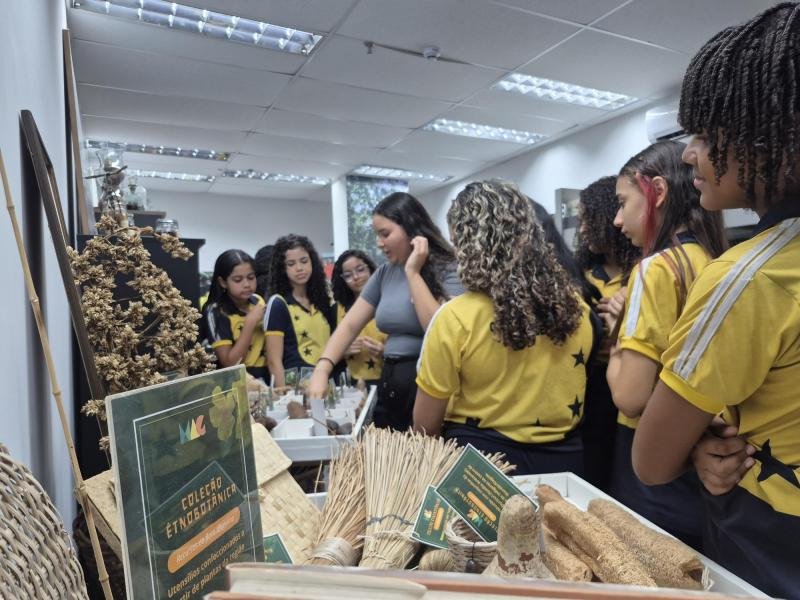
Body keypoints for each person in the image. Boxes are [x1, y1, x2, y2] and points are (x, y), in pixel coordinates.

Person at [632, 5, 800, 597]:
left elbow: (651, 460)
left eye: (705, 135)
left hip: (772, 539)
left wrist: (700, 444)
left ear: (774, 137)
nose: (689, 154)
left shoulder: (748, 277)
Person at [413, 180, 597, 475]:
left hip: (482, 469)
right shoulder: (577, 310)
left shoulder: (455, 318)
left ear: (469, 246)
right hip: (564, 466)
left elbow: (425, 425)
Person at [606, 140, 727, 549]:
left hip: (651, 455)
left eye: (623, 202)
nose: (618, 220)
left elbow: (630, 396)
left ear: (657, 191)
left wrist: (617, 341)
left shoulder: (655, 268)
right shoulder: (714, 261)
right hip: (703, 448)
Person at [307, 192, 463, 430]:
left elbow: (438, 330)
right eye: (377, 235)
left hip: (430, 389)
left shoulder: (449, 269)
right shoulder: (384, 273)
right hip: (390, 384)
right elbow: (350, 325)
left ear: (411, 228)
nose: (379, 243)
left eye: (385, 234)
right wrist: (323, 368)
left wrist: (413, 273)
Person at [574, 176, 641, 491]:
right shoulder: (581, 278)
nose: (582, 229)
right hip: (591, 392)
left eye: (587, 219)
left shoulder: (644, 273)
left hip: (635, 388)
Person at [264, 234, 338, 387]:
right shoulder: (278, 303)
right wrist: (285, 395)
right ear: (282, 268)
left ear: (313, 262)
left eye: (304, 261)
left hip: (327, 384)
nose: (299, 268)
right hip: (295, 388)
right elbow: (273, 361)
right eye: (291, 264)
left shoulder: (324, 301)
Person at [204, 249, 267, 379]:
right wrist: (250, 323)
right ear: (223, 282)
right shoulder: (215, 311)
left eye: (251, 277)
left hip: (266, 375)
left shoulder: (258, 301)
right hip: (239, 379)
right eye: (238, 280)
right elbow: (230, 364)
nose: (247, 284)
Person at [331, 249, 387, 388]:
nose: (356, 277)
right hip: (349, 385)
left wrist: (384, 351)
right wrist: (341, 351)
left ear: (371, 269)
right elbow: (326, 352)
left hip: (386, 381)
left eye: (360, 270)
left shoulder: (388, 303)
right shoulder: (336, 310)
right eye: (348, 275)